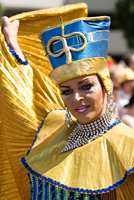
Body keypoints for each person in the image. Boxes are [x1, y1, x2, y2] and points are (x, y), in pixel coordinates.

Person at [0, 3, 134, 200]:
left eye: (86, 86)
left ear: (106, 86)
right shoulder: (53, 129)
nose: (77, 97)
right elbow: (24, 93)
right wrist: (12, 45)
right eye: (66, 91)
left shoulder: (127, 146)